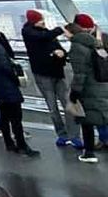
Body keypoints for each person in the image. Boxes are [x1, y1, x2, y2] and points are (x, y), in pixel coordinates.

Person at [0, 19, 39, 157]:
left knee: (4, 114)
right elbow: (4, 65)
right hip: (6, 84)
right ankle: (22, 145)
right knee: (16, 116)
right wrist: (16, 78)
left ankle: (9, 142)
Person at [21, 8, 78, 148]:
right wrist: (59, 31)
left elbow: (59, 48)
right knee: (53, 108)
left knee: (68, 104)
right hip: (43, 74)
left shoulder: (46, 33)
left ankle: (74, 135)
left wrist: (61, 53)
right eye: (41, 20)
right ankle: (63, 135)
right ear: (34, 21)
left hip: (57, 72)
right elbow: (41, 38)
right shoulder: (29, 32)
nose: (43, 22)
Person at [65, 13, 108, 165]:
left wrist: (74, 94)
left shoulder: (77, 47)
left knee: (87, 120)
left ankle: (89, 152)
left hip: (89, 89)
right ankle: (103, 140)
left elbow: (80, 74)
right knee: (101, 116)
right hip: (102, 86)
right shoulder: (99, 40)